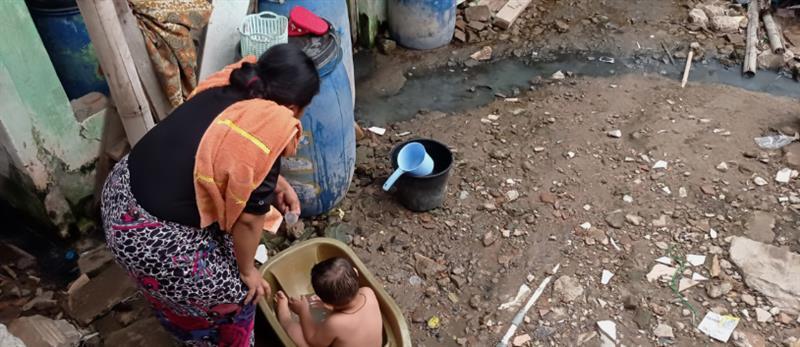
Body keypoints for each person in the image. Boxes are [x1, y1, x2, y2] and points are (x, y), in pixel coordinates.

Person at [100, 44, 320, 346]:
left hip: (120, 194)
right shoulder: (267, 130)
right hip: (148, 237)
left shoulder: (234, 87)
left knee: (215, 265)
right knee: (238, 294)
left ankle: (181, 310)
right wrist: (247, 273)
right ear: (294, 108)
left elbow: (229, 160)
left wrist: (276, 184)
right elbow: (248, 222)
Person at [275, 257, 383, 347]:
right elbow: (352, 319)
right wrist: (330, 307)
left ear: (326, 303)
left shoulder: (335, 323)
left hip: (319, 339)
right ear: (356, 272)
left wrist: (303, 310)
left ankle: (284, 316)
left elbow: (313, 341)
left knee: (299, 337)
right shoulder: (368, 292)